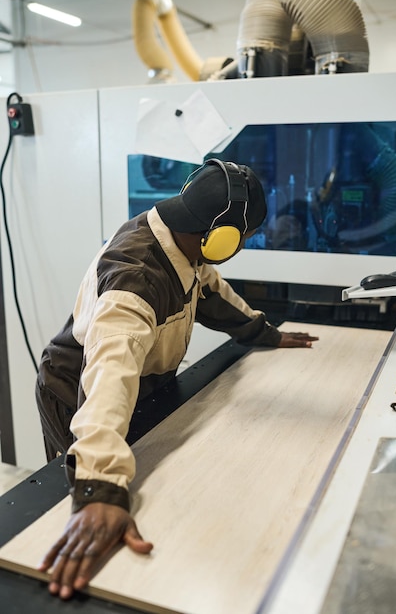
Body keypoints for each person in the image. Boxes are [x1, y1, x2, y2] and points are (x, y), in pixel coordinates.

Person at [35, 158, 318, 600]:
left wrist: (263, 333)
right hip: (76, 391)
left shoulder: (181, 242)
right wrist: (100, 488)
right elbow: (109, 377)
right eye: (243, 238)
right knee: (69, 504)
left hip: (143, 381)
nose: (241, 245)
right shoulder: (137, 279)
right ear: (220, 237)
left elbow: (210, 291)